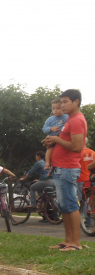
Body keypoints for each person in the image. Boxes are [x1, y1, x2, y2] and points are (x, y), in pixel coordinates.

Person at [42, 89, 87, 251]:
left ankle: (76, 243)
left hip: (68, 169)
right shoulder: (69, 120)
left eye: (66, 101)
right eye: (61, 102)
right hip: (60, 168)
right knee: (64, 206)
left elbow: (76, 147)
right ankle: (68, 240)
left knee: (70, 205)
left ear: (76, 102)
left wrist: (56, 139)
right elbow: (64, 141)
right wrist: (51, 141)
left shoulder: (76, 120)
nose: (62, 105)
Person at [42, 99, 68, 170]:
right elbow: (44, 128)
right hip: (52, 137)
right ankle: (47, 163)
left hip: (62, 137)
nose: (55, 110)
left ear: (62, 108)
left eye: (58, 108)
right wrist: (51, 128)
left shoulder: (66, 117)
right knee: (49, 149)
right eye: (53, 109)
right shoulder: (50, 119)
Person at [78, 147, 95, 228]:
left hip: (81, 179)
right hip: (90, 178)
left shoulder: (78, 153)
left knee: (84, 201)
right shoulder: (92, 152)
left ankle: (89, 221)